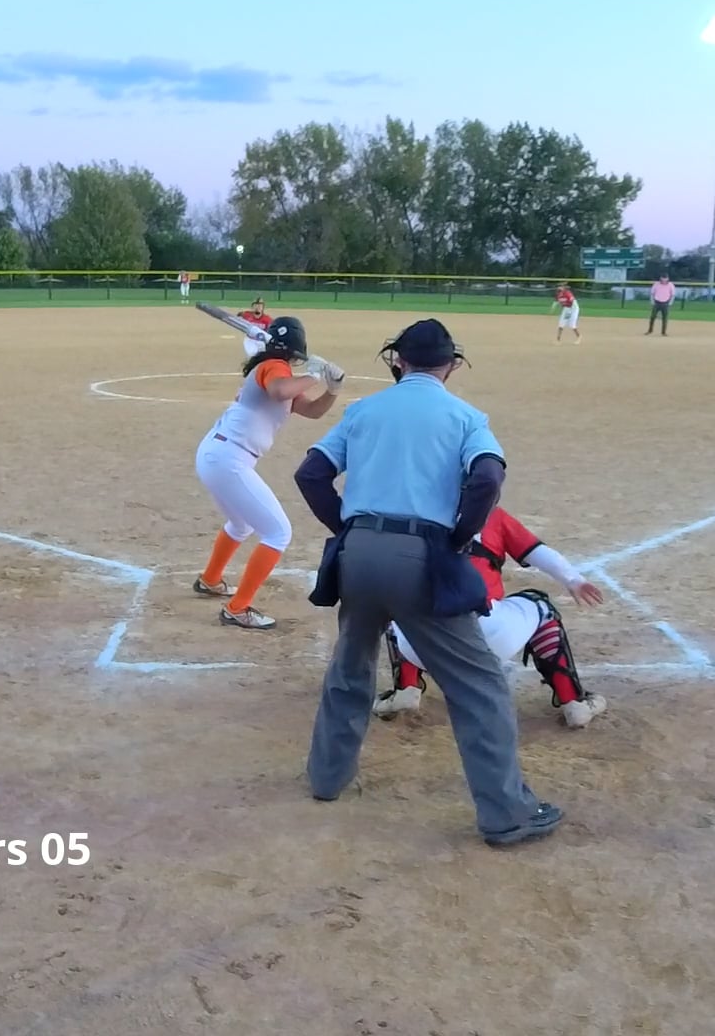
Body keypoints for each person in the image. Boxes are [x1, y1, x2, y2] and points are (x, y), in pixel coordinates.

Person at [293, 318, 563, 848]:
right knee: (479, 685)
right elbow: (487, 477)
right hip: (421, 554)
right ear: (452, 365)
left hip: (357, 553)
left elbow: (310, 474)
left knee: (350, 666)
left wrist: (348, 528)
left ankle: (326, 777)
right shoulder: (466, 417)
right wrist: (459, 537)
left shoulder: (363, 410)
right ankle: (506, 812)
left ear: (398, 360)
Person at [373, 505, 609, 728]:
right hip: (489, 637)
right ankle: (574, 702)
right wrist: (574, 580)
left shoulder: (412, 514)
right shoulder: (490, 514)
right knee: (541, 606)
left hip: (420, 647)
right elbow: (538, 552)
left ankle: (405, 690)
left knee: (399, 603)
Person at [194, 316, 344, 630]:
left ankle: (210, 579)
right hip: (228, 458)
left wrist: (331, 390)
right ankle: (237, 608)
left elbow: (312, 411)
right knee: (279, 533)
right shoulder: (274, 367)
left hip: (218, 455)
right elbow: (279, 391)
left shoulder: (275, 370)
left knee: (241, 524)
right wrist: (314, 374)